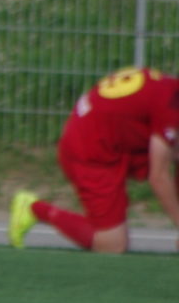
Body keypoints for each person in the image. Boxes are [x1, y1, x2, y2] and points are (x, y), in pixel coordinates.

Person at [10, 65, 179, 253]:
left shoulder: (170, 90)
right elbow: (159, 177)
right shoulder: (170, 107)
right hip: (90, 152)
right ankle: (34, 209)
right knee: (112, 245)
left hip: (114, 141)